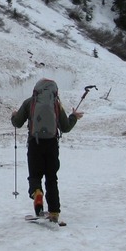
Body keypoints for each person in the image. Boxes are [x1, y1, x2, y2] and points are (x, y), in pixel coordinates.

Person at [11, 78, 83, 222]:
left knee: (35, 175)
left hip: (34, 144)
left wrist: (13, 116)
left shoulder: (29, 102)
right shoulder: (56, 105)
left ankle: (37, 192)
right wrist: (73, 117)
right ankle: (54, 211)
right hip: (51, 145)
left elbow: (17, 123)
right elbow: (65, 127)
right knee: (51, 178)